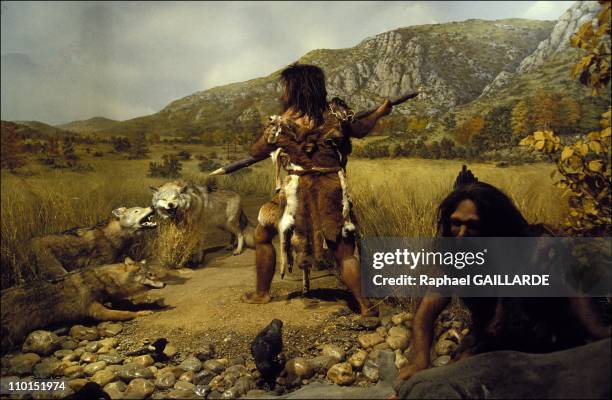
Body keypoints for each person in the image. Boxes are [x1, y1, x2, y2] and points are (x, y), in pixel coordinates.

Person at [397, 167, 611, 382]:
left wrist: (598, 332)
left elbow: (575, 292)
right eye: (456, 223)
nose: (461, 234)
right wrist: (419, 360)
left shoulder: (535, 245)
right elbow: (426, 312)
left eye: (472, 226)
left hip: (547, 341)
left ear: (493, 225)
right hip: (490, 338)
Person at [241, 63, 392, 316]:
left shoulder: (282, 123)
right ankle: (365, 306)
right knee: (344, 253)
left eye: (285, 88)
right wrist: (379, 112)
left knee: (261, 237)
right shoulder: (337, 112)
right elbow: (361, 130)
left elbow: (256, 151)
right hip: (330, 188)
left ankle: (262, 293)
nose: (281, 94)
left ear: (295, 89)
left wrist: (273, 131)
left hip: (296, 192)